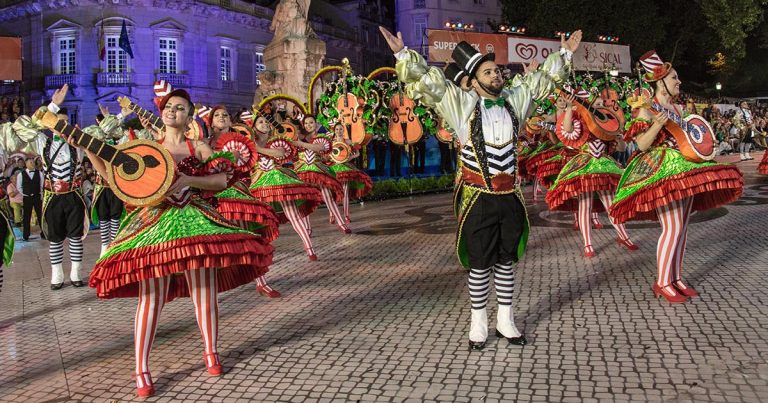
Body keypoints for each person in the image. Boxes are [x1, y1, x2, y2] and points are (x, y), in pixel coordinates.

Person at [380, 25, 582, 350]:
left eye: (498, 70)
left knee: (505, 261)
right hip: (478, 199)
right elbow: (429, 83)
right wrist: (403, 54)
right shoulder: (461, 105)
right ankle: (478, 322)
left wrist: (566, 53)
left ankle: (505, 319)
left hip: (509, 198)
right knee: (479, 263)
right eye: (488, 72)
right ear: (473, 81)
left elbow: (541, 79)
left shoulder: (515, 102)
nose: (496, 74)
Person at [81, 89, 274, 397]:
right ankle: (141, 368)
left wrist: (188, 181)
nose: (172, 111)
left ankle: (211, 352)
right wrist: (90, 150)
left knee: (204, 289)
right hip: (153, 223)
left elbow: (222, 180)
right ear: (162, 113)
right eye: (169, 106)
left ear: (189, 116)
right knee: (152, 297)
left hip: (193, 218)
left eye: (180, 108)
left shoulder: (197, 147)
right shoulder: (143, 148)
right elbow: (117, 184)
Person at [609, 51, 743, 303]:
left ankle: (676, 278)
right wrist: (658, 125)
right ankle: (662, 281)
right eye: (674, 78)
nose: (679, 82)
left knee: (682, 229)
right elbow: (640, 145)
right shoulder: (646, 108)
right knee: (673, 227)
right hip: (661, 172)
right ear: (660, 82)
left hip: (684, 168)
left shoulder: (678, 109)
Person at [545, 91, 638, 257]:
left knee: (610, 202)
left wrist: (619, 135)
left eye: (602, 104)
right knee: (585, 203)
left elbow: (622, 149)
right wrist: (569, 108)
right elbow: (567, 130)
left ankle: (624, 236)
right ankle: (588, 244)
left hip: (603, 164)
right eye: (596, 104)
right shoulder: (580, 119)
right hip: (585, 163)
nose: (600, 107)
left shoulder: (607, 123)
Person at [203, 105, 281, 297]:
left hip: (237, 193)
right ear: (211, 122)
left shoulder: (242, 141)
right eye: (217, 115)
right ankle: (211, 290)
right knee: (215, 243)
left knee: (247, 236)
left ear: (231, 121)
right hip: (212, 195)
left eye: (225, 115)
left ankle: (261, 282)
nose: (221, 117)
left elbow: (263, 151)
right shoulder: (203, 143)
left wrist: (273, 151)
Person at [329, 122, 372, 223]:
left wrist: (350, 157)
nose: (339, 131)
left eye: (341, 129)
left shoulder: (348, 141)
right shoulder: (331, 142)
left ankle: (346, 215)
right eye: (337, 129)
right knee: (333, 193)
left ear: (344, 131)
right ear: (334, 131)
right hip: (334, 168)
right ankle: (332, 214)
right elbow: (327, 155)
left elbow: (357, 153)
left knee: (345, 192)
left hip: (345, 168)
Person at [17, 156, 43, 241]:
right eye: (30, 162)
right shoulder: (21, 174)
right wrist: (25, 194)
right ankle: (26, 235)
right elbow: (19, 187)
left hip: (37, 197)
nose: (33, 164)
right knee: (26, 217)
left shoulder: (39, 173)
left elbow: (42, 185)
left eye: (33, 162)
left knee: (40, 216)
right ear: (26, 164)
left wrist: (40, 194)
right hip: (27, 198)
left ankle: (44, 233)